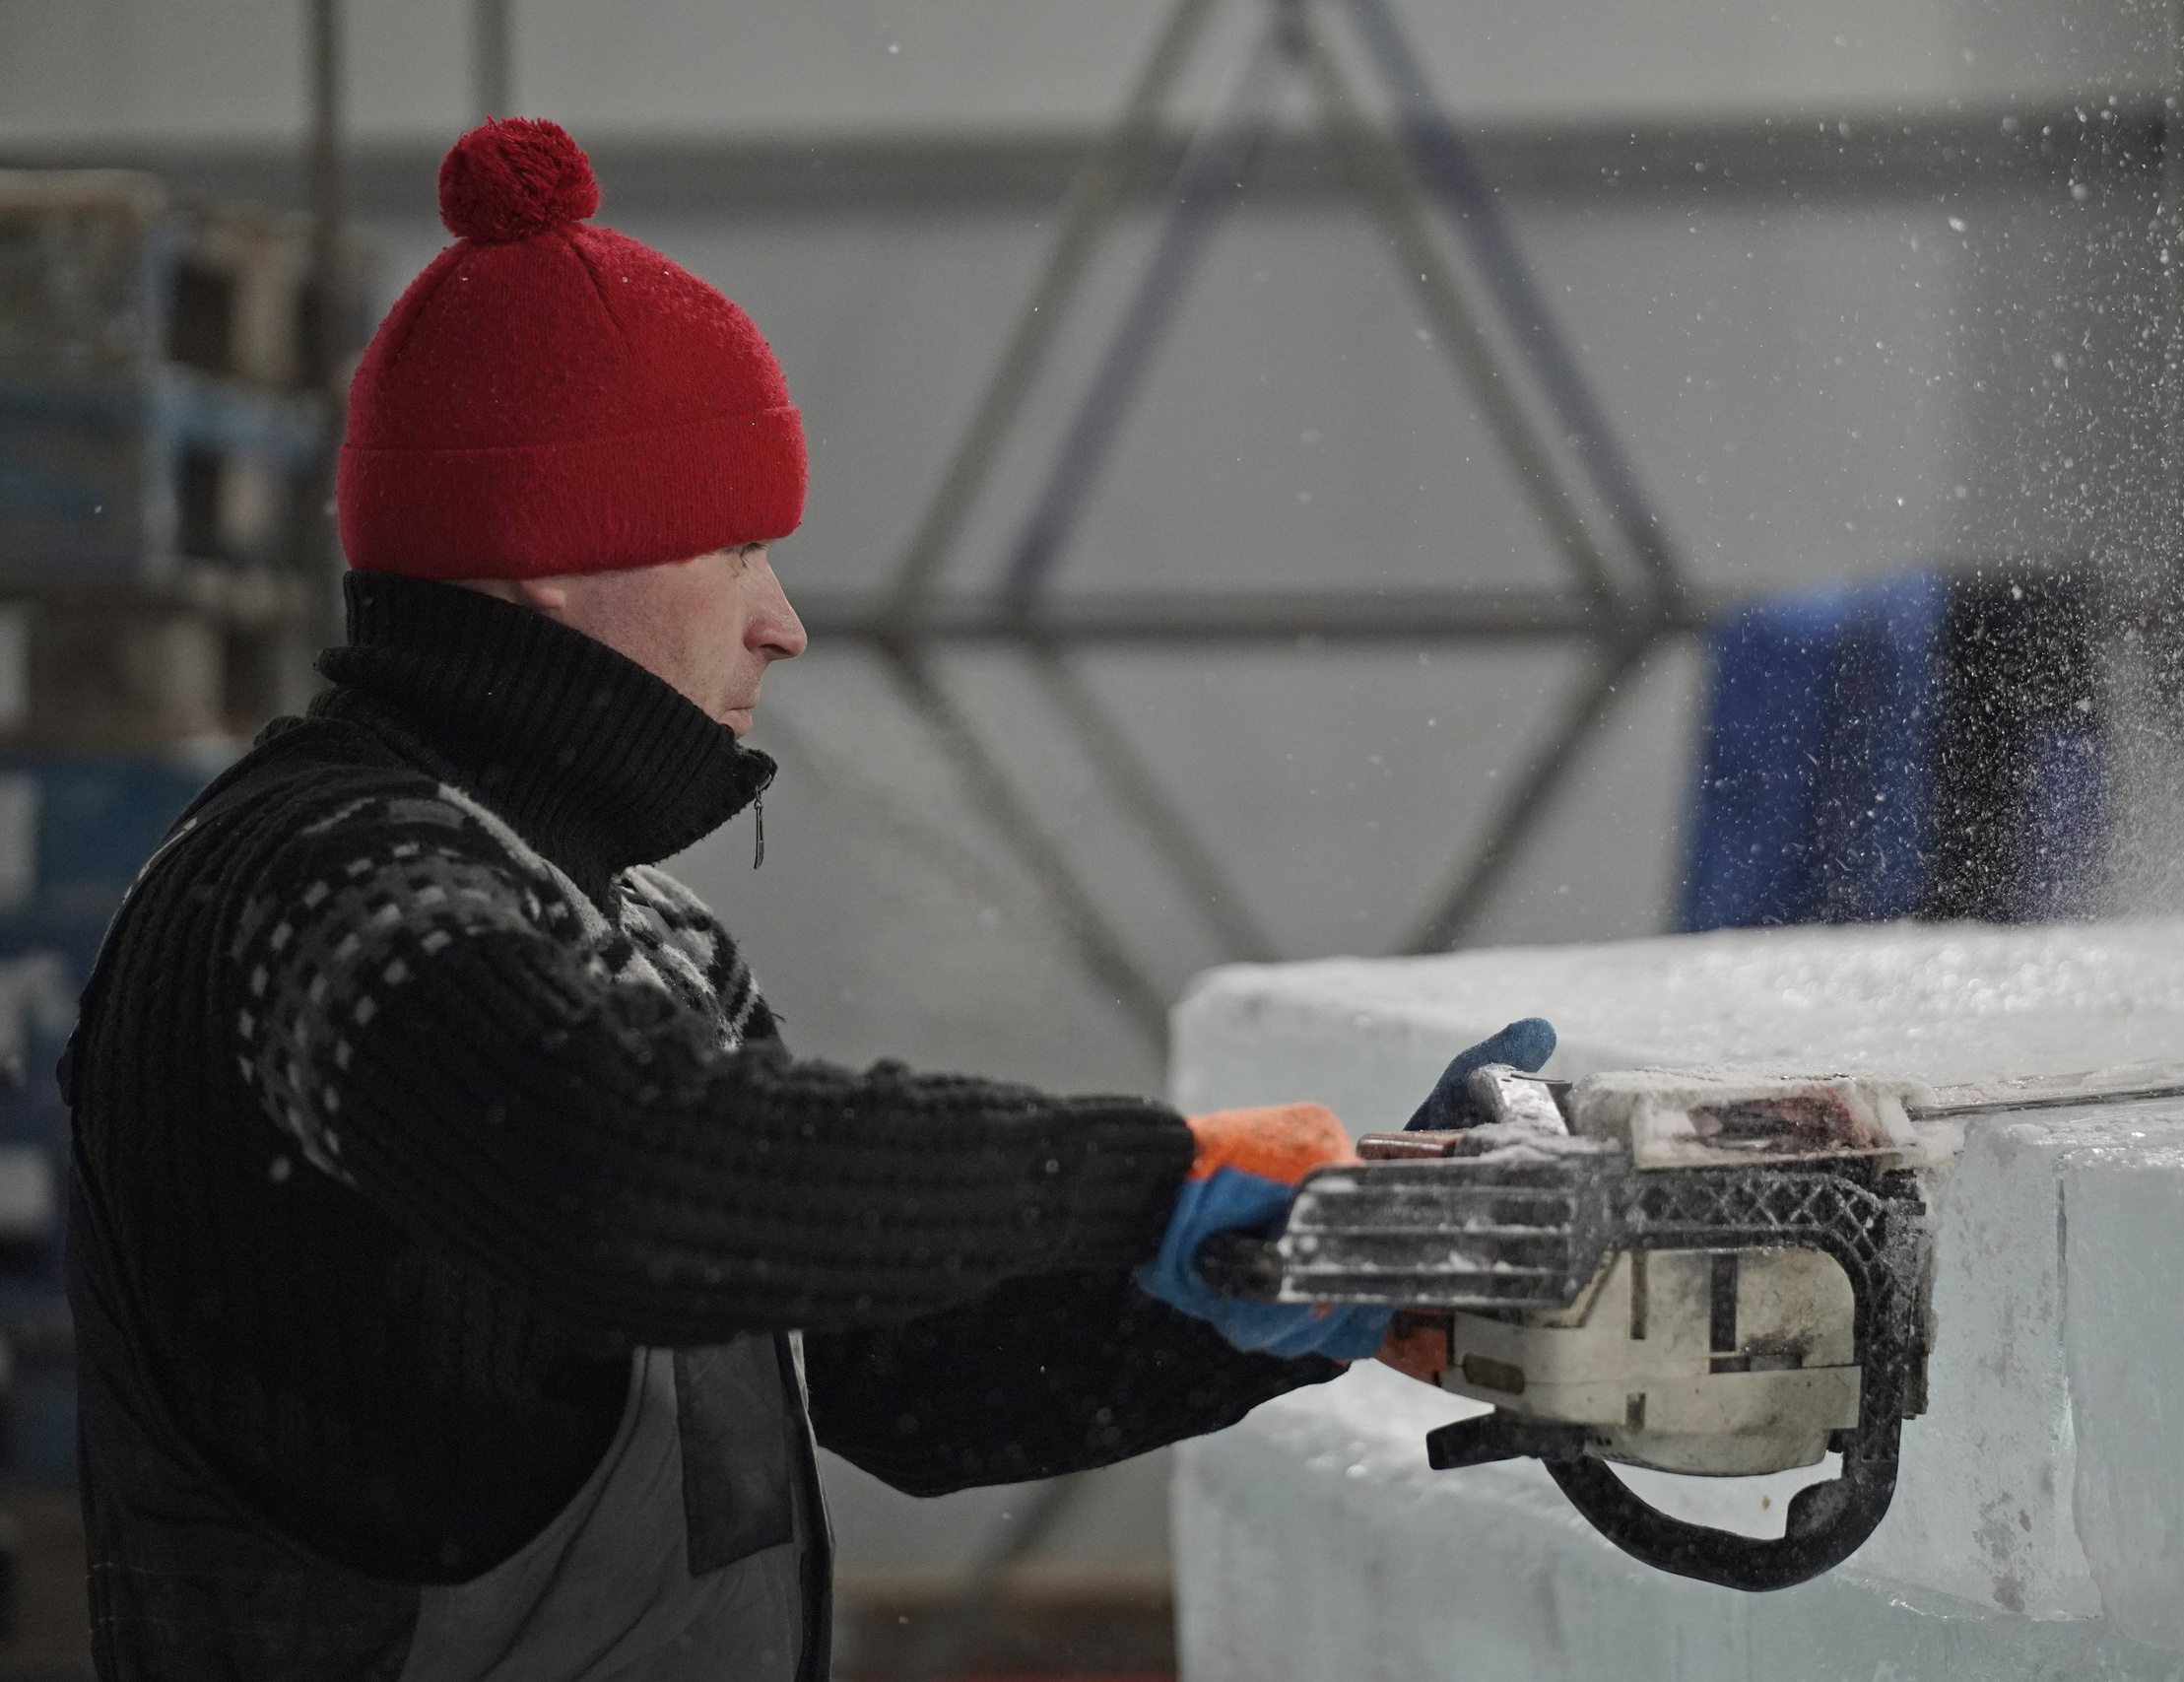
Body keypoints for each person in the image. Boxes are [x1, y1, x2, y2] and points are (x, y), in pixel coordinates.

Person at [59, 118, 1553, 1680]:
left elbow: (909, 1375)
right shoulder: (306, 898)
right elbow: (625, 1173)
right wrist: (1160, 1178)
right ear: (555, 554)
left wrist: (1303, 1275)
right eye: (736, 547)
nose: (784, 624)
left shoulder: (630, 936)